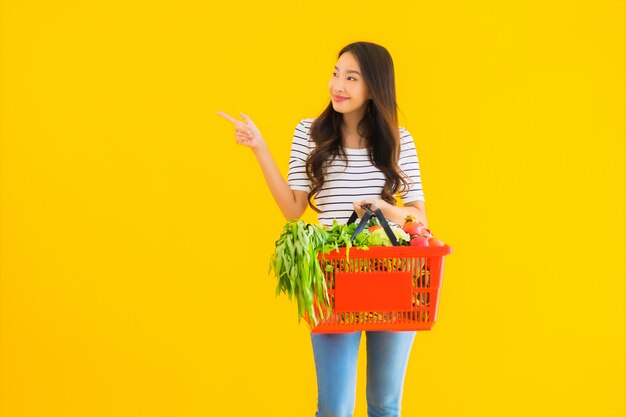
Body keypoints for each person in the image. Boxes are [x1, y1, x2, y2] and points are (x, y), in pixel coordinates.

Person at [218, 41, 427, 417]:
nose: (337, 86)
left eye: (351, 78)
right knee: (334, 409)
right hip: (335, 280)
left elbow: (418, 221)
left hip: (393, 280)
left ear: (374, 88)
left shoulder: (400, 140)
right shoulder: (309, 133)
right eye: (335, 74)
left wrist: (382, 207)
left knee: (385, 405)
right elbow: (293, 210)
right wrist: (260, 149)